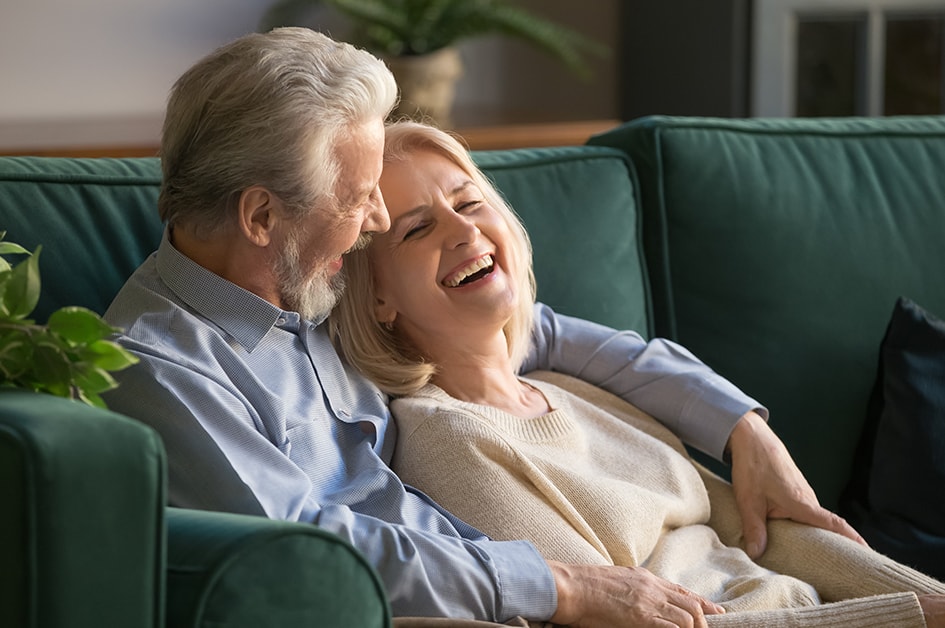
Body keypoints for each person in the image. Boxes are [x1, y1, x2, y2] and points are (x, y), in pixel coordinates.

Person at [104, 26, 867, 627]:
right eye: (359, 197)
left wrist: (740, 427)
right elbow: (310, 551)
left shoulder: (307, 283)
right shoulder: (160, 368)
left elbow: (538, 332)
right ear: (262, 217)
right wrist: (558, 588)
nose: (372, 221)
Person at [329, 119, 945, 627]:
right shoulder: (445, 439)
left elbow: (764, 535)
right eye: (418, 228)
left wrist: (922, 597)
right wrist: (902, 617)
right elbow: (615, 618)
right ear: (378, 298)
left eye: (469, 203)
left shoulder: (574, 387)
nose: (464, 230)